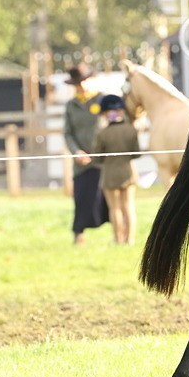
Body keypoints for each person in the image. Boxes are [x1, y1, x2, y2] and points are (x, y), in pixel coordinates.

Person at [62, 64, 109, 244]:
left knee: (108, 199)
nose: (81, 86)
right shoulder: (70, 106)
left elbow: (114, 123)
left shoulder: (103, 99)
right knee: (81, 197)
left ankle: (119, 236)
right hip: (81, 162)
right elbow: (67, 133)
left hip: (103, 160)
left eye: (84, 81)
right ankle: (78, 235)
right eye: (77, 83)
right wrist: (76, 152)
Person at [91, 94, 141, 244]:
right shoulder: (131, 130)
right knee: (129, 206)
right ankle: (130, 239)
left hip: (110, 173)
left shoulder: (102, 133)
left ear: (105, 113)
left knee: (115, 209)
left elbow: (97, 157)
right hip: (128, 171)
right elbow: (137, 153)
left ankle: (118, 239)